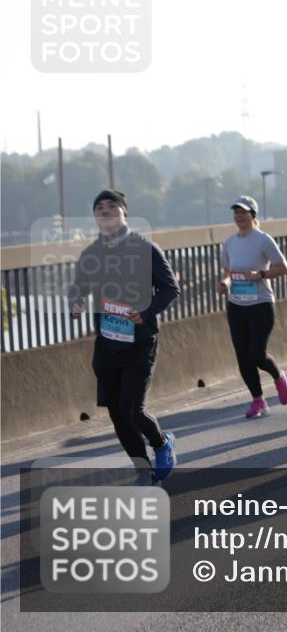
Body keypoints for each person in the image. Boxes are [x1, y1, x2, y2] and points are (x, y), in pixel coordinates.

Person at [68, 190, 180, 483]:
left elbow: (170, 288)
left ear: (124, 212)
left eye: (112, 205)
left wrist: (146, 311)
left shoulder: (145, 249)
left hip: (140, 342)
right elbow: (78, 286)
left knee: (132, 410)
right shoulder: (91, 253)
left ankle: (161, 443)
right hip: (106, 345)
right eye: (99, 207)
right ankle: (143, 470)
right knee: (117, 414)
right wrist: (76, 302)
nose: (105, 210)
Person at [217, 196, 287, 419]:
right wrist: (225, 283)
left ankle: (278, 376)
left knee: (257, 353)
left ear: (253, 215)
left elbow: (283, 268)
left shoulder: (263, 240)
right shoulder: (229, 243)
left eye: (244, 212)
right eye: (236, 212)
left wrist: (260, 274)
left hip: (261, 304)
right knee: (242, 356)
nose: (239, 216)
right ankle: (258, 400)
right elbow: (229, 272)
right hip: (237, 305)